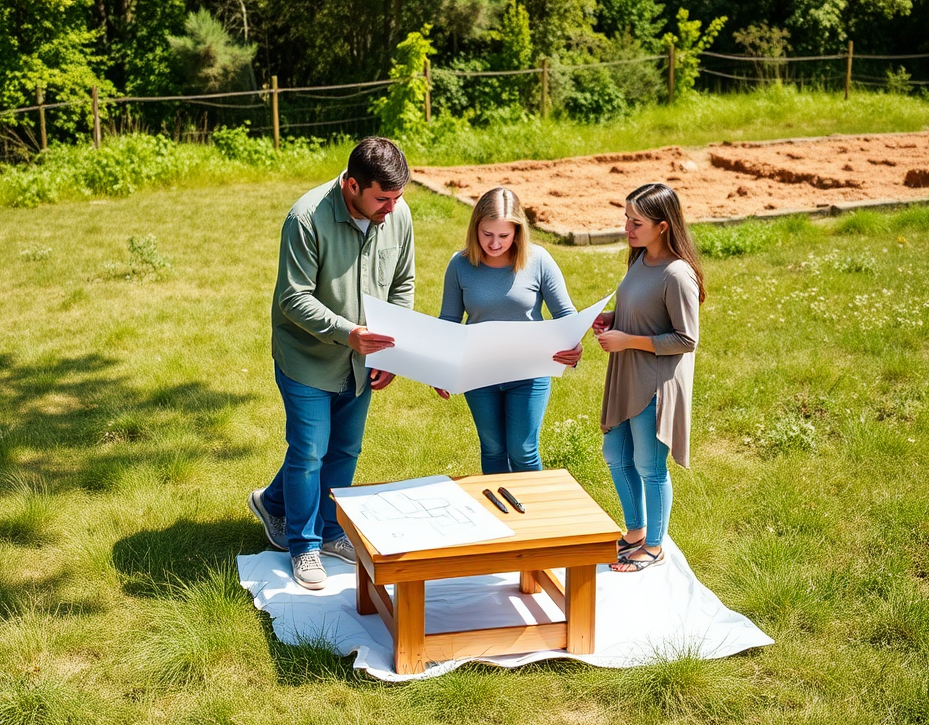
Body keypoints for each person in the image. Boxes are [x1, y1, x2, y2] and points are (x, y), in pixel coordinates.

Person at [248, 137, 415, 590]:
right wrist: (350, 334)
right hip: (307, 358)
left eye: (398, 198)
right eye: (382, 199)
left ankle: (326, 528)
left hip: (364, 361)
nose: (391, 209)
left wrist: (391, 351)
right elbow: (293, 298)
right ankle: (303, 546)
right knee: (309, 451)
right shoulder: (306, 218)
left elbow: (403, 282)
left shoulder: (397, 214)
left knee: (343, 450)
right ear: (352, 185)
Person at [592, 183, 704, 572]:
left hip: (654, 382)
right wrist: (612, 320)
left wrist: (628, 339)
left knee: (648, 466)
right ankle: (636, 532)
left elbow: (686, 339)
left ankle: (654, 547)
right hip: (626, 374)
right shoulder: (639, 259)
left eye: (635, 221)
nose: (627, 226)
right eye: (626, 217)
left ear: (662, 226)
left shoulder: (677, 274)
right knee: (615, 456)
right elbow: (640, 308)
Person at [436, 186, 582, 474]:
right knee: (492, 449)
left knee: (523, 450)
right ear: (475, 228)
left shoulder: (538, 260)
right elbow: (449, 320)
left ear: (518, 231)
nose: (494, 243)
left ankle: (535, 515)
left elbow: (566, 315)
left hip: (529, 372)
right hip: (478, 371)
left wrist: (573, 344)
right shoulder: (460, 265)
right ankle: (497, 516)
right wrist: (439, 367)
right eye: (487, 234)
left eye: (504, 235)